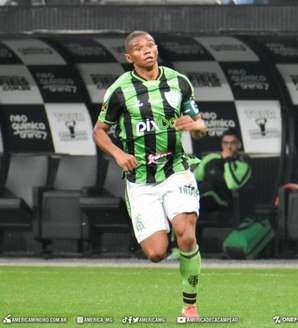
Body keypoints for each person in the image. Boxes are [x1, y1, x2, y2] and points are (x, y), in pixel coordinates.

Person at [93, 30, 208, 318]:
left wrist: (192, 126)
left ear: (156, 50)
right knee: (156, 253)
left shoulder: (178, 82)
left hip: (176, 170)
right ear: (128, 56)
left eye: (150, 45)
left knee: (187, 236)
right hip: (141, 180)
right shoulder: (119, 91)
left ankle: (190, 305)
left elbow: (201, 125)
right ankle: (167, 234)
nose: (147, 50)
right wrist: (119, 154)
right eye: (139, 48)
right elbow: (99, 132)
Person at [194, 128, 251, 217]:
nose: (229, 147)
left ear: (239, 145)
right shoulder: (210, 158)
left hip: (223, 204)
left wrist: (227, 160)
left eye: (232, 143)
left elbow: (232, 184)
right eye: (225, 143)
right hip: (201, 198)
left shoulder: (242, 165)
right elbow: (196, 177)